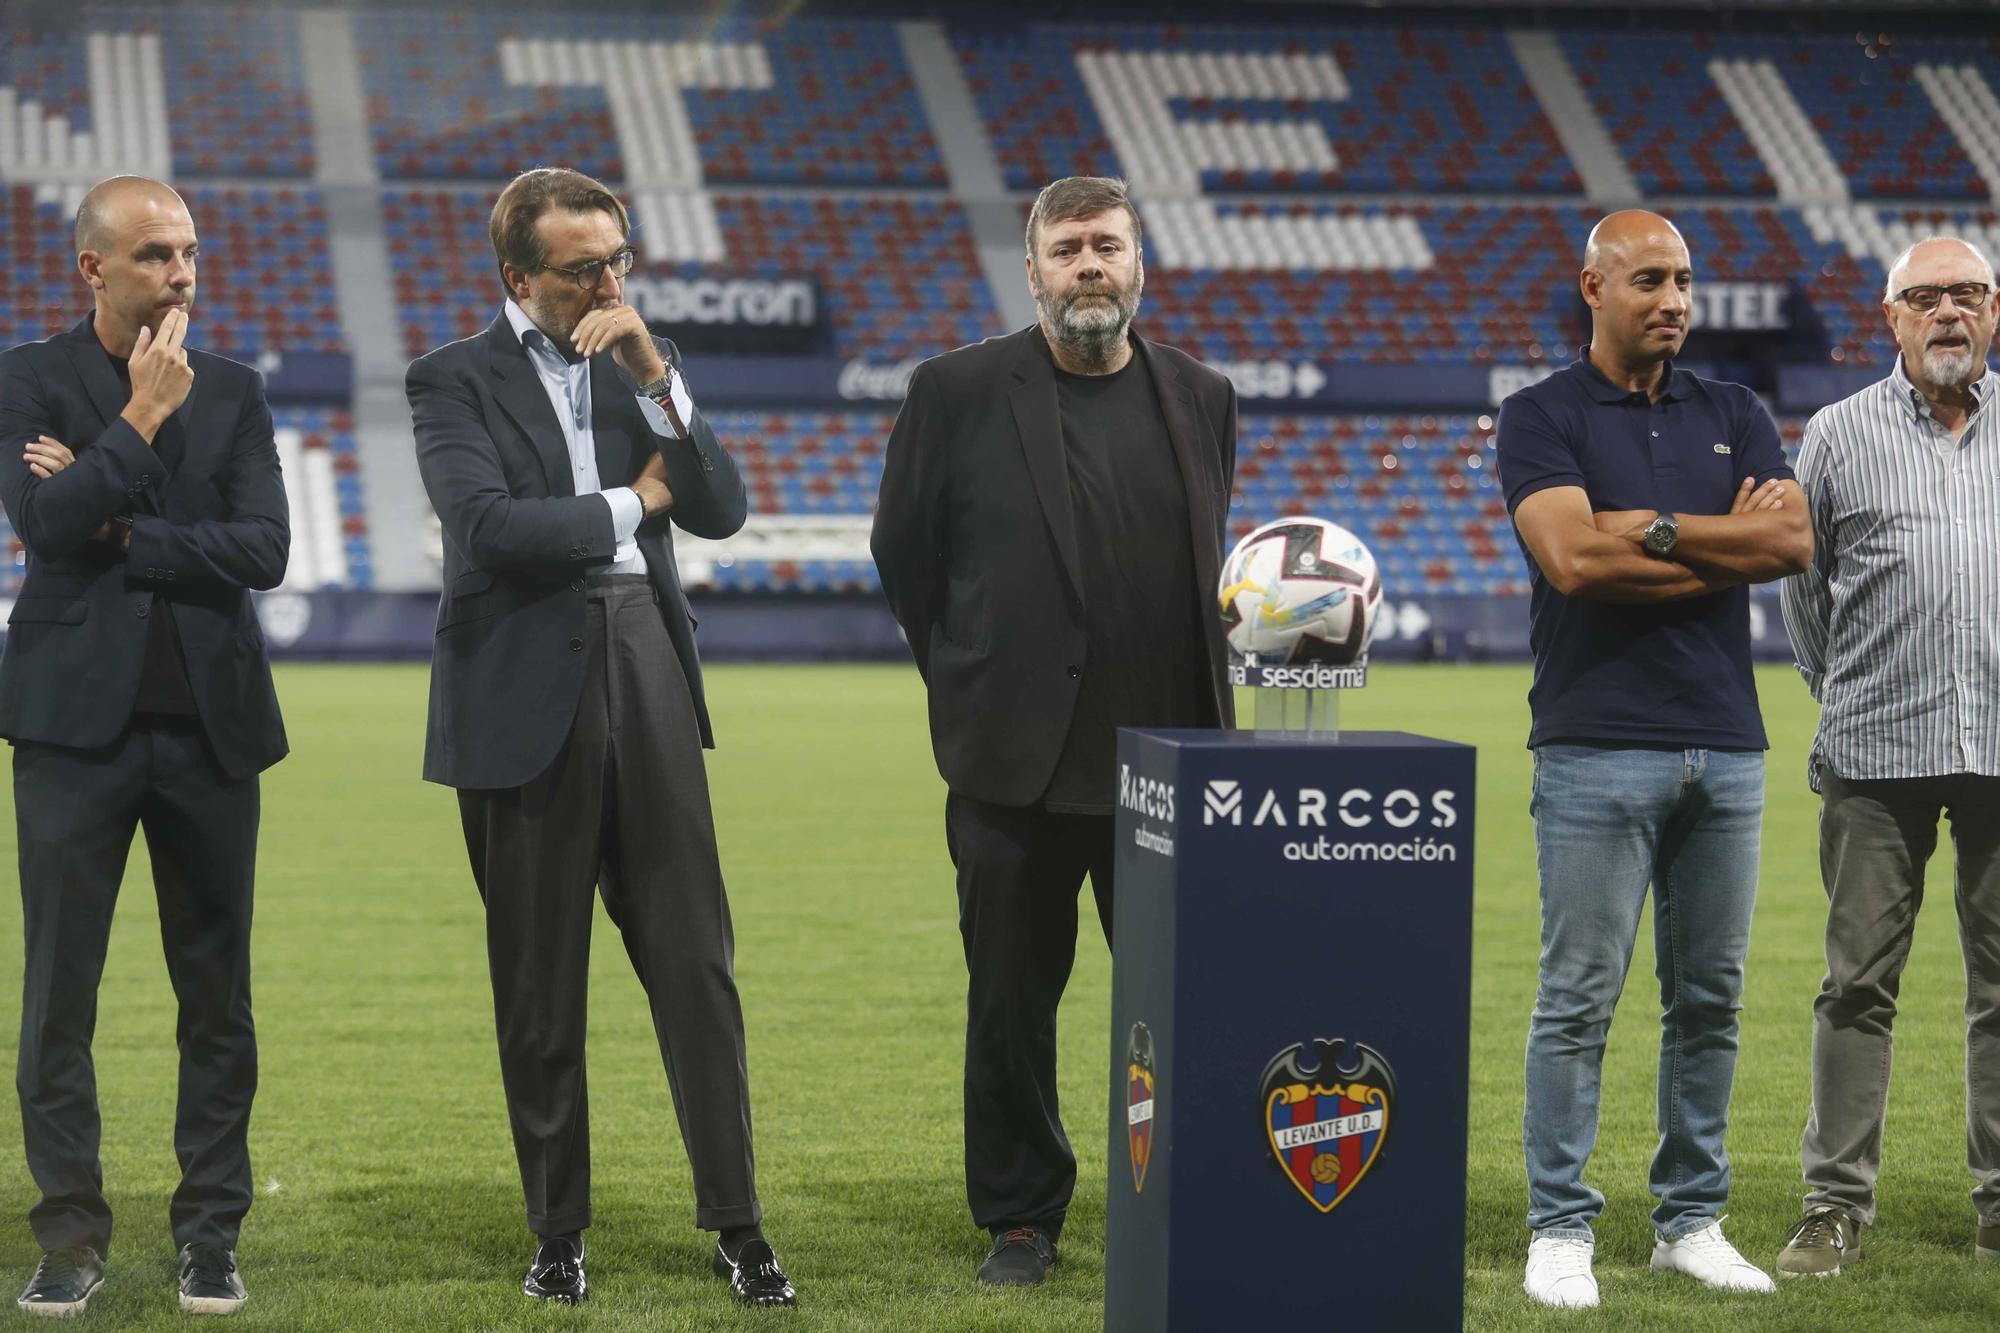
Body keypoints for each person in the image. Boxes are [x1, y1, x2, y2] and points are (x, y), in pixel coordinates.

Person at [406, 167, 792, 1308]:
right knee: (540, 981)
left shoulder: (641, 362)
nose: (609, 283)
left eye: (619, 260)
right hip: (522, 681)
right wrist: (634, 504)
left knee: (695, 965)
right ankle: (555, 1229)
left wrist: (656, 375)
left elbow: (720, 504)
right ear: (518, 275)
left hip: (646, 660)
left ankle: (738, 1222)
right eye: (583, 269)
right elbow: (486, 531)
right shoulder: (451, 379)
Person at [870, 175, 1236, 1286]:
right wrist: (975, 676)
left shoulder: (1201, 393)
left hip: (1166, 769)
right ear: (1029, 269)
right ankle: (1021, 1216)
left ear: (1137, 264)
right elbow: (904, 556)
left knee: (1179, 1007)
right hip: (1011, 764)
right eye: (1066, 247)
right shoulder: (955, 390)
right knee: (1011, 1009)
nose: (1088, 264)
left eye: (1106, 246)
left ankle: (1177, 1192)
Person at [1495, 210, 1814, 1309]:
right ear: (1590, 285)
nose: (1673, 299)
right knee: (1577, 997)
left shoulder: (1735, 410)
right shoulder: (1537, 414)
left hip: (1726, 748)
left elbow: (1786, 544)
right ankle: (1557, 1227)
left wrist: (1654, 532)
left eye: (1682, 279)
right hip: (1590, 744)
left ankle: (1689, 1218)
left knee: (1710, 1000)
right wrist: (1705, 540)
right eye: (1647, 279)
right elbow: (1573, 557)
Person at [0, 176, 290, 1317]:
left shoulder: (238, 389)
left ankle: (209, 1234)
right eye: (159, 255)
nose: (183, 274)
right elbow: (41, 527)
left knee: (217, 996)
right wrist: (140, 424)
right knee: (59, 994)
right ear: (95, 269)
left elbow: (262, 548)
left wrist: (116, 510)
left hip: (212, 726)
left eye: (190, 251)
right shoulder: (27, 376)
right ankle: (70, 1232)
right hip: (72, 728)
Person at [1774, 236, 2000, 1277]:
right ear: (1889, 318)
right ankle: (1831, 1205)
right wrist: (1849, 694)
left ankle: (1997, 1199)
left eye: (1965, 294)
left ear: (1991, 312)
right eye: (1925, 297)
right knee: (1855, 984)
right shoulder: (1834, 433)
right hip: (1877, 746)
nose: (1946, 311)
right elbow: (1801, 595)